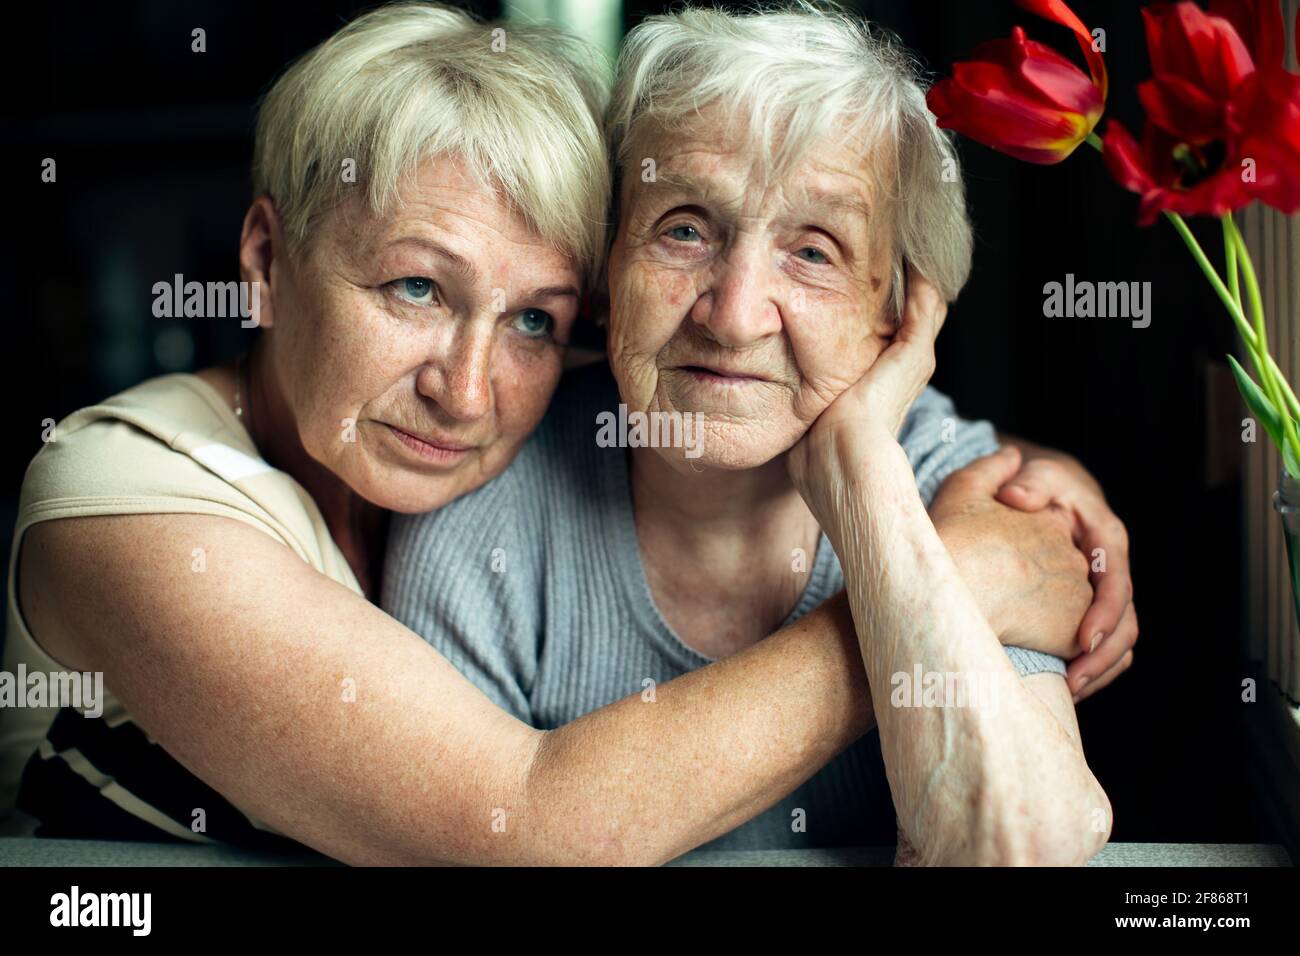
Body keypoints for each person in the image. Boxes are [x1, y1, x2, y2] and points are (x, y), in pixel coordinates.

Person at [1, 2, 1131, 865]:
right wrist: (939, 579)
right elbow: (524, 823)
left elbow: (1021, 838)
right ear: (264, 262)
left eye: (535, 316)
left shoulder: (544, 422)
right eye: (412, 288)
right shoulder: (123, 497)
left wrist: (951, 494)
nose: (469, 387)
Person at [384, 4, 1133, 863]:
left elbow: (1022, 842)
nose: (735, 316)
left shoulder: (951, 492)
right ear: (607, 264)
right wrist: (938, 597)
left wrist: (864, 482)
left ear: (900, 316)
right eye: (686, 229)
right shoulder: (486, 506)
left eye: (814, 252)